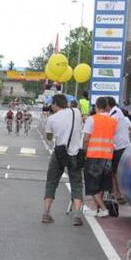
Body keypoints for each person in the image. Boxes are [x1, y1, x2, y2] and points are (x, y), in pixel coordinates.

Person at [41, 94, 85, 225]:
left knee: (51, 182)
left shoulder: (52, 118)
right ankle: (77, 215)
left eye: (52, 104)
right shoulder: (76, 112)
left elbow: (49, 137)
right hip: (75, 153)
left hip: (59, 153)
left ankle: (46, 213)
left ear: (55, 104)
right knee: (77, 184)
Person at [82, 97, 118, 217]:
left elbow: (86, 138)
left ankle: (103, 208)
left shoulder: (92, 119)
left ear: (96, 107)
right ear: (107, 107)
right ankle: (94, 208)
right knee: (102, 184)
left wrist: (84, 151)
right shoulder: (113, 120)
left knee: (91, 184)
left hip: (94, 155)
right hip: (108, 156)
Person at [106, 96, 131, 203]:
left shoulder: (115, 114)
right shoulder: (117, 113)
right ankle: (116, 194)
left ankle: (119, 195)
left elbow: (110, 130)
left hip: (119, 147)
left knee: (116, 172)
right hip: (120, 146)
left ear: (108, 105)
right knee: (114, 172)